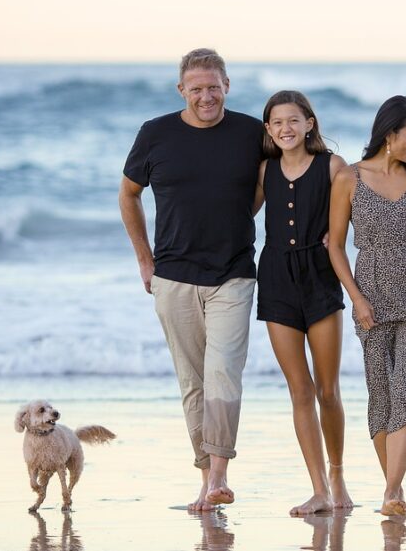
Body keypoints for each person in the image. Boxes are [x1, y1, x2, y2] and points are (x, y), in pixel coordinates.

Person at [119, 48, 264, 511]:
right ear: (181, 90)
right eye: (196, 88)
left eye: (214, 87)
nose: (206, 96)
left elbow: (273, 181)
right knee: (193, 381)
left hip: (234, 273)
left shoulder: (250, 132)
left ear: (227, 85)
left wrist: (239, 220)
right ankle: (206, 478)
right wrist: (145, 259)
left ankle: (219, 474)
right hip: (173, 277)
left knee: (223, 374)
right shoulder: (155, 134)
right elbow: (128, 194)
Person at [328, 95, 406, 517]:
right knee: (380, 396)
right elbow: (336, 246)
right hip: (373, 297)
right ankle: (392, 492)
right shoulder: (348, 178)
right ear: (389, 132)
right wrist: (356, 298)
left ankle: (393, 491)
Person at [255, 90, 354, 515]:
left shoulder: (333, 166)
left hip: (320, 277)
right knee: (300, 389)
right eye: (277, 123)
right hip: (276, 278)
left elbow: (357, 212)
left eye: (294, 120)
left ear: (310, 123)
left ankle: (336, 473)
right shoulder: (264, 171)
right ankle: (317, 489)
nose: (286, 129)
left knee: (327, 390)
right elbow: (235, 216)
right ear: (268, 130)